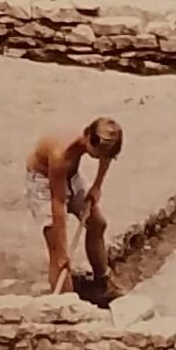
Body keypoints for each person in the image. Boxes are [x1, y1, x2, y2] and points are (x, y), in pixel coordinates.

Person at [25, 117, 124, 298]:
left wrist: (97, 186)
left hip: (72, 176)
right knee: (57, 252)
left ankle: (102, 283)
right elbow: (58, 203)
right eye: (96, 154)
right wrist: (63, 250)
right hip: (44, 182)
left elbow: (106, 156)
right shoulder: (60, 154)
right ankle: (67, 305)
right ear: (87, 137)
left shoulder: (102, 139)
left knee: (97, 223)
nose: (100, 158)